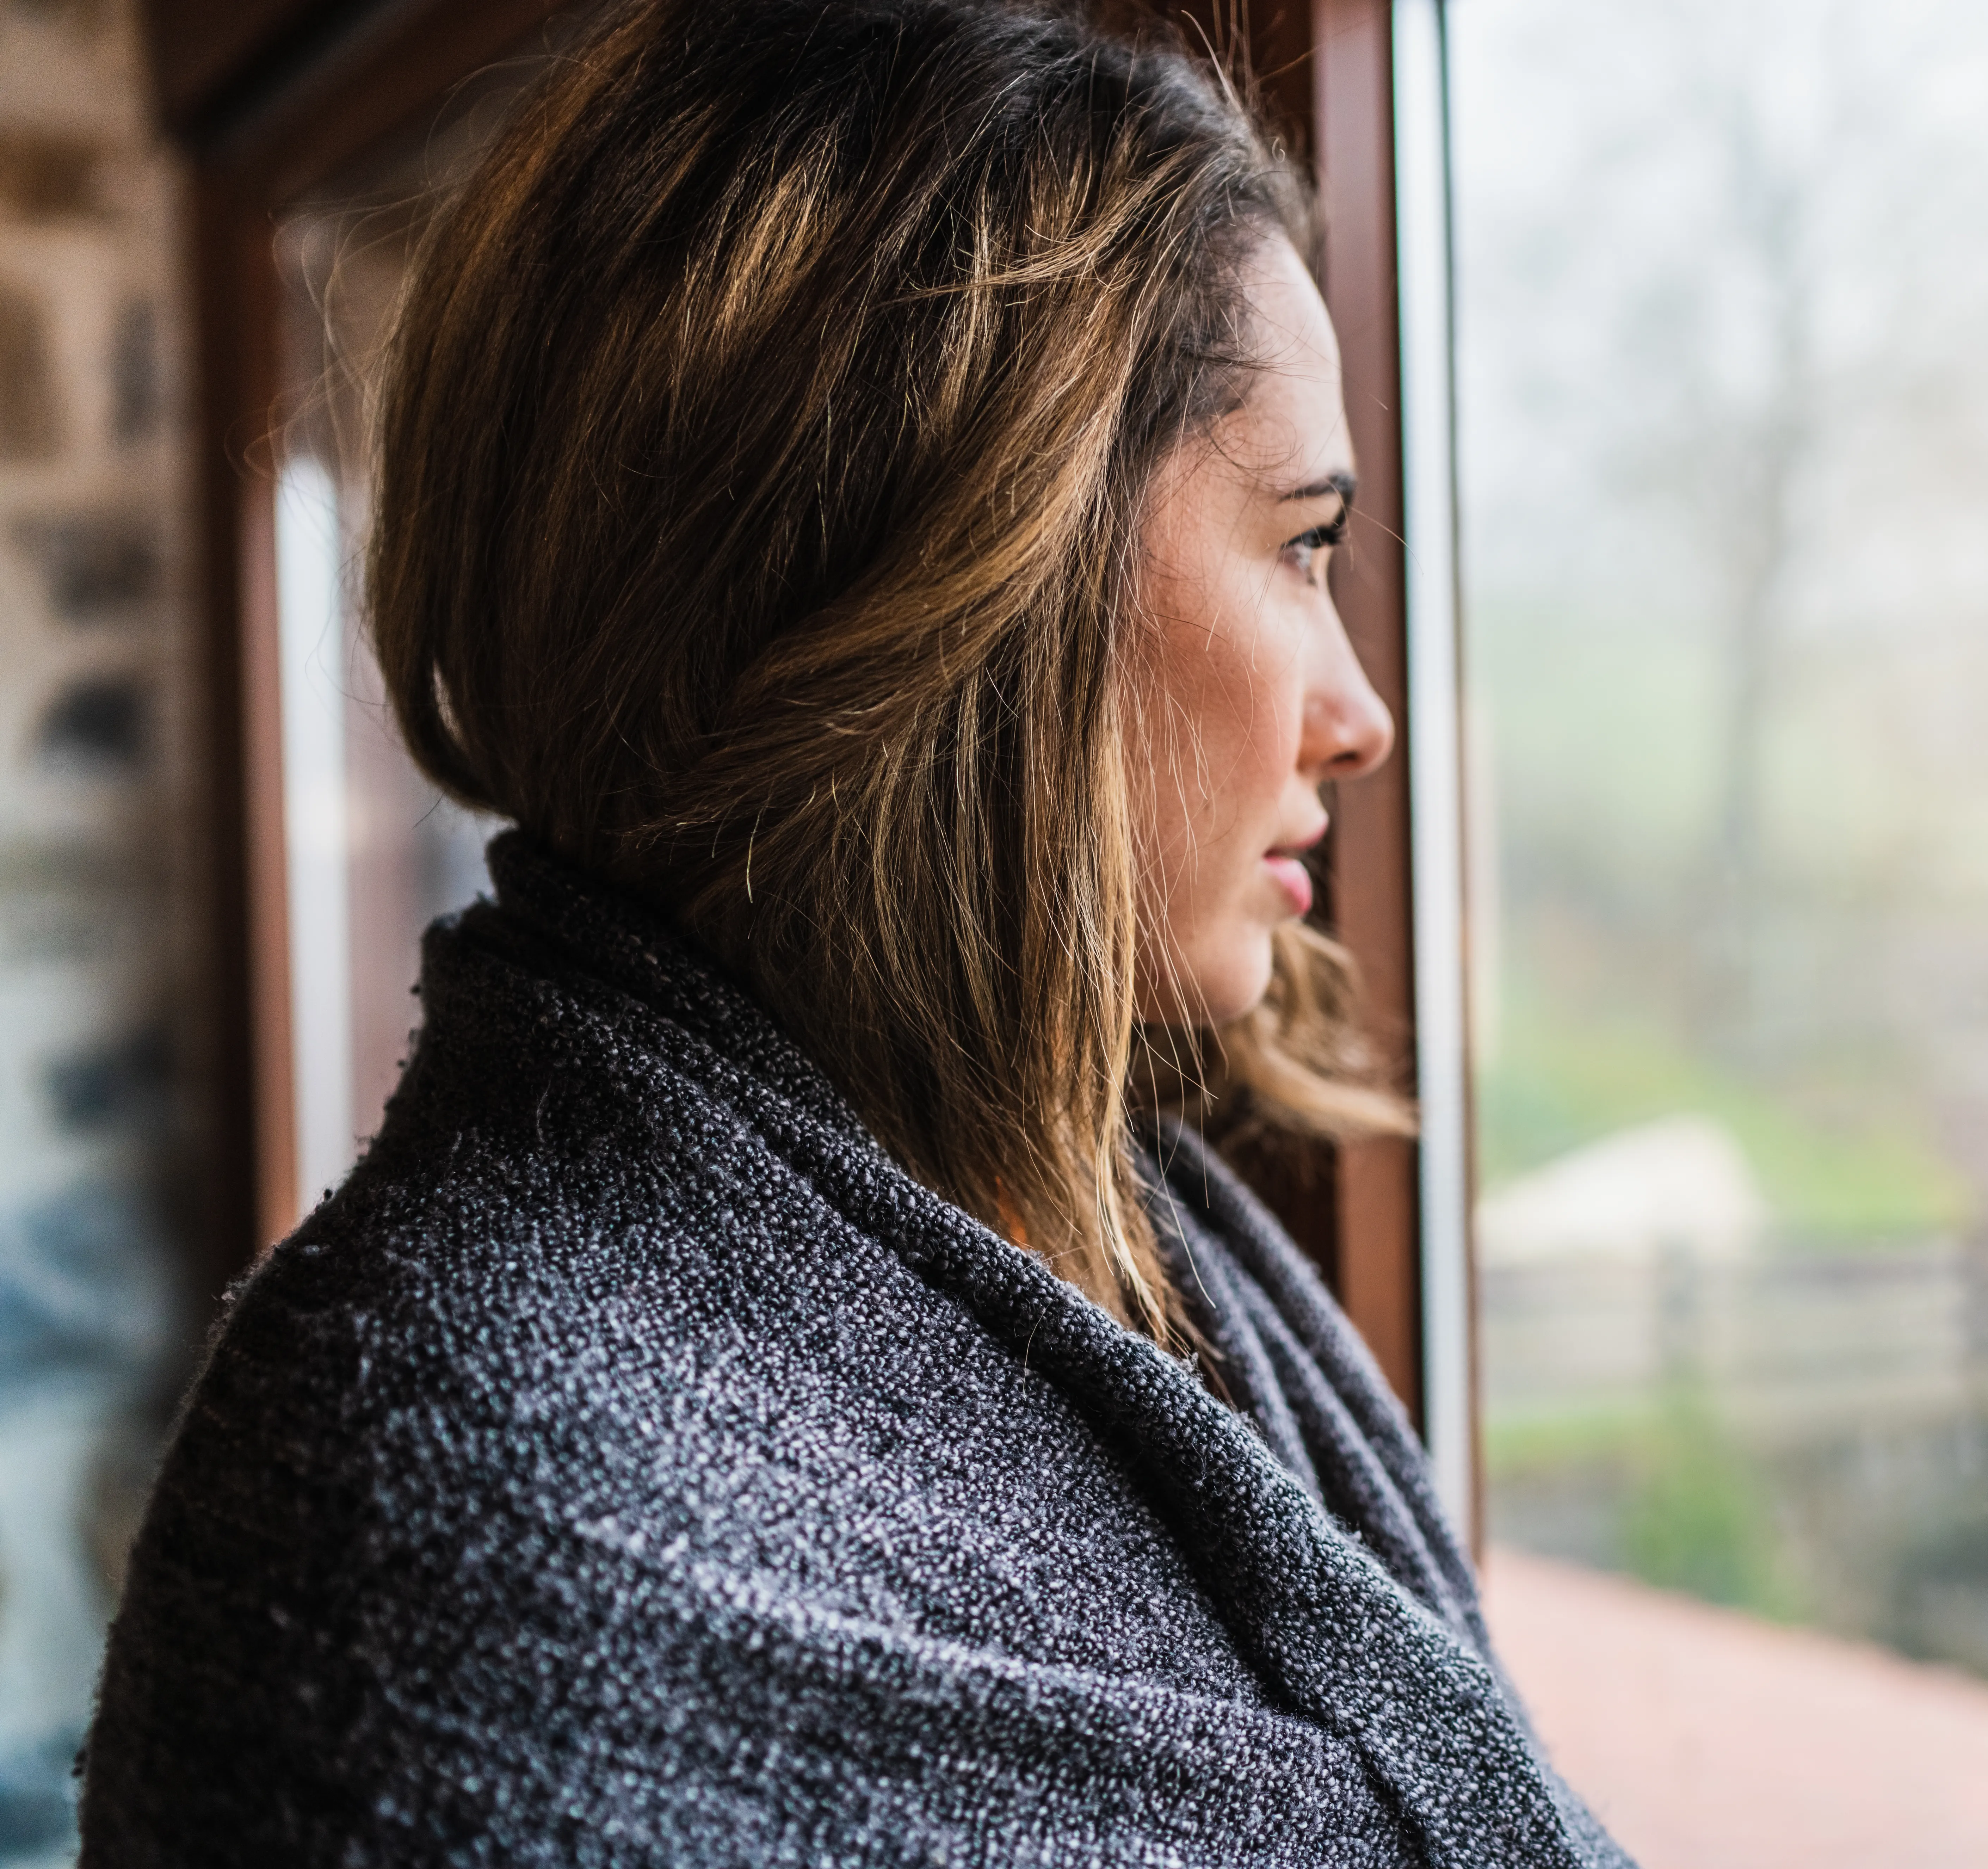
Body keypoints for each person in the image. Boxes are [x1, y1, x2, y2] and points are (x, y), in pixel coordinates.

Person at [79, 3, 1629, 1862]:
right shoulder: (436, 1545)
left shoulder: (1127, 1252)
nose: (1359, 713)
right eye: (1301, 545)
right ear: (962, 573)